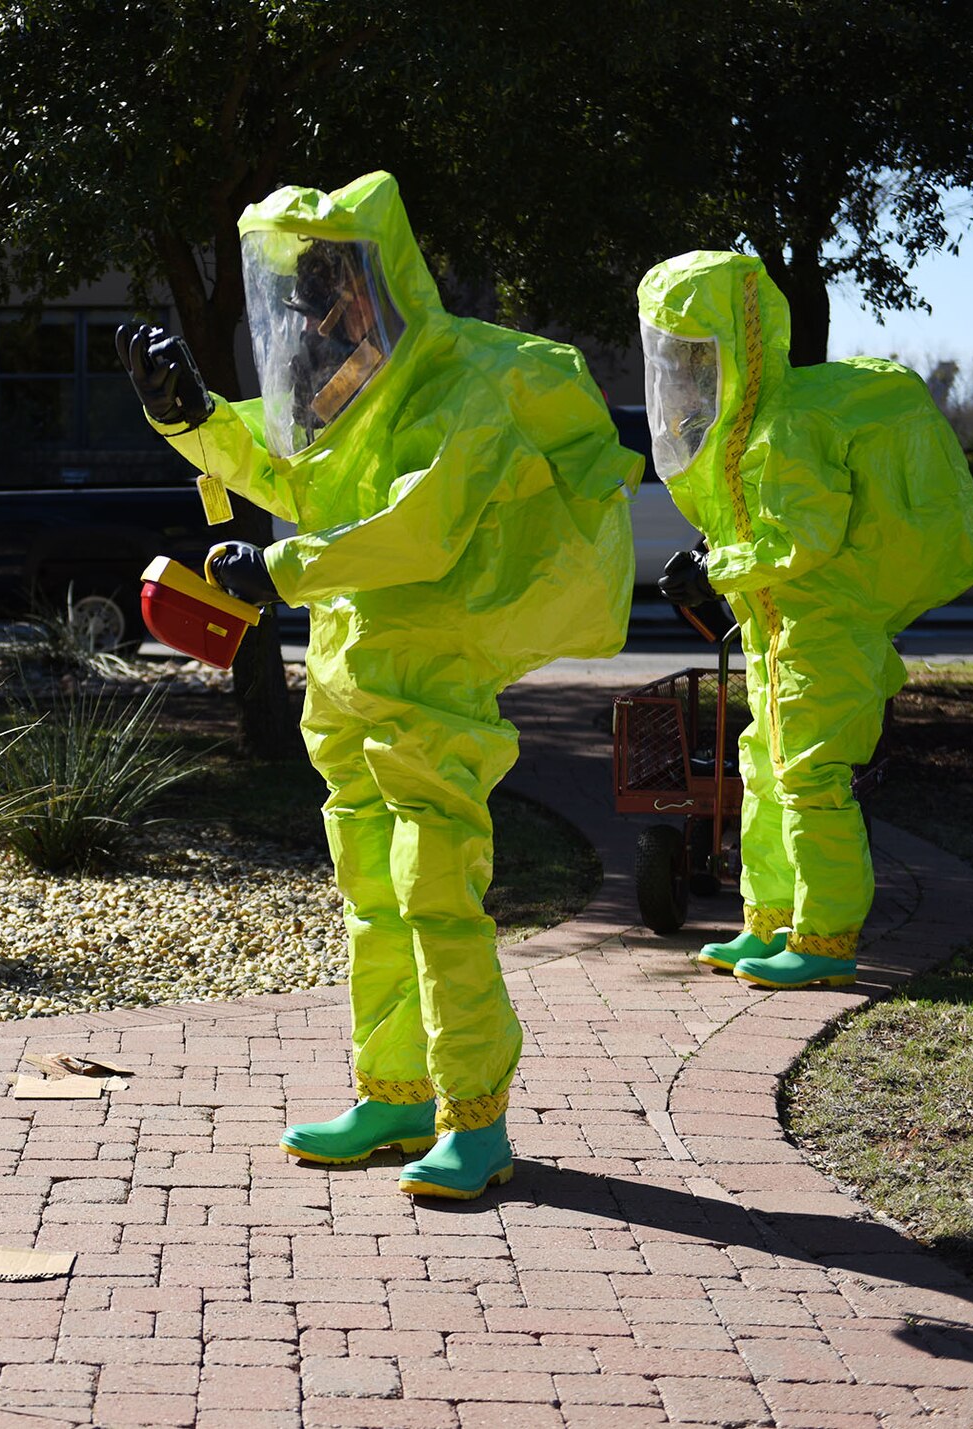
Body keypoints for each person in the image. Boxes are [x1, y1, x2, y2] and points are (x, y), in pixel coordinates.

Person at [117, 171, 640, 1199]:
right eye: (304, 295)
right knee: (371, 895)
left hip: (433, 673)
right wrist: (189, 420)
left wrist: (280, 572)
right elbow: (292, 479)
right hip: (349, 673)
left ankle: (473, 1118)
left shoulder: (459, 388)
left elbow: (419, 528)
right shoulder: (349, 391)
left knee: (436, 896)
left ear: (379, 280)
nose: (318, 313)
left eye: (333, 287)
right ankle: (394, 1092)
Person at [638, 250, 973, 990]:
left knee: (810, 782)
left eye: (698, 351)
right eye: (676, 353)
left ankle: (827, 938)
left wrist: (716, 571)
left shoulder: (789, 423)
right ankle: (767, 923)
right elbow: (760, 533)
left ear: (739, 342)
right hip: (778, 637)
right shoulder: (746, 432)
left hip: (825, 634)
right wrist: (712, 558)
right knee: (763, 774)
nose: (684, 369)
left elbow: (806, 538)